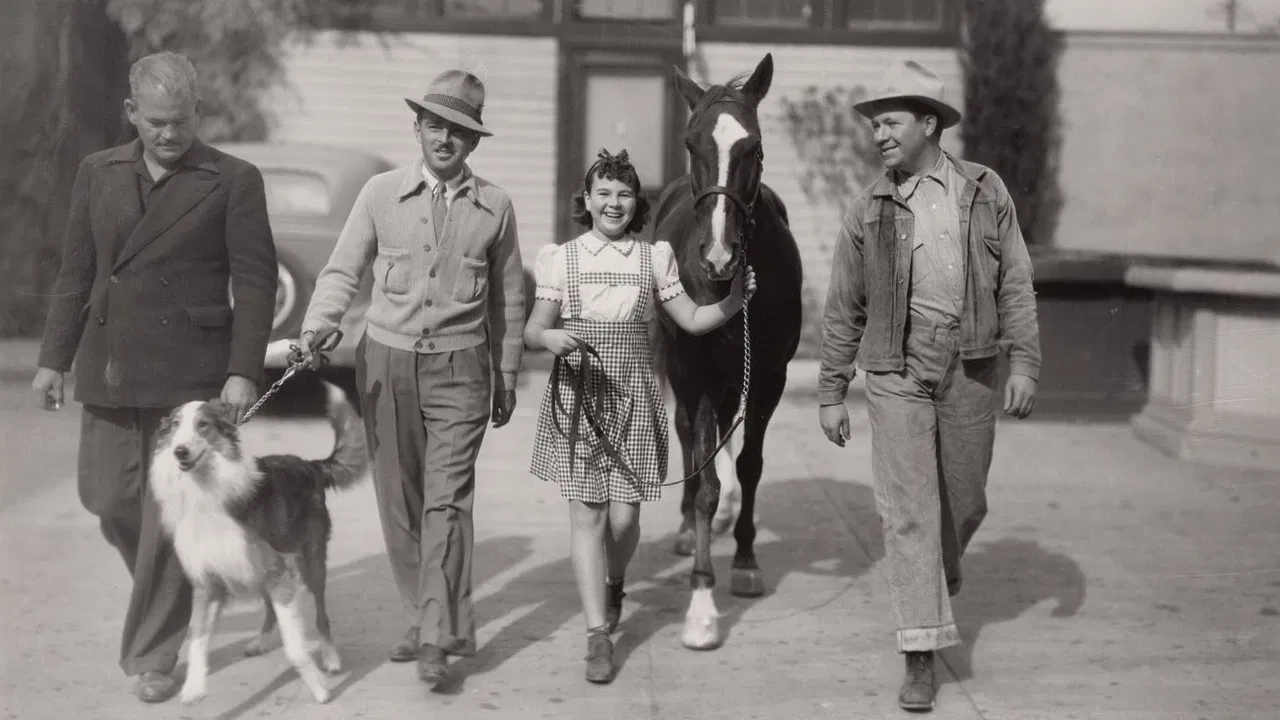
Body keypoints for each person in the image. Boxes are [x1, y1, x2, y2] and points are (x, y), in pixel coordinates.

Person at [30, 51, 278, 703]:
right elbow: (76, 273)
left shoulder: (233, 180)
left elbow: (253, 283)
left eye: (181, 121)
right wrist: (53, 359)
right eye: (156, 122)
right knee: (106, 497)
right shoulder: (97, 173)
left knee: (170, 511)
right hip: (109, 363)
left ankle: (154, 652)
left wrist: (241, 371)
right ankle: (185, 571)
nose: (169, 135)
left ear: (199, 112)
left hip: (190, 375)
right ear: (130, 114)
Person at [816, 60, 1041, 712]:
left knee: (964, 502)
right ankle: (919, 651)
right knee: (909, 512)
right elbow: (843, 307)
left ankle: (934, 578)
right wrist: (833, 390)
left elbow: (1016, 282)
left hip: (971, 366)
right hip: (896, 372)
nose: (878, 135)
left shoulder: (984, 192)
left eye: (889, 122)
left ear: (930, 122)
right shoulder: (868, 208)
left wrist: (1024, 363)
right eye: (875, 125)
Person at [296, 69, 525, 687]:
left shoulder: (496, 208)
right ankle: (430, 616)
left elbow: (507, 301)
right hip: (385, 363)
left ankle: (434, 636)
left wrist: (506, 375)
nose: (444, 139)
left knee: (446, 502)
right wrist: (320, 326)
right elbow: (342, 274)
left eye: (458, 130)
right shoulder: (378, 194)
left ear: (474, 143)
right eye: (434, 125)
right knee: (399, 503)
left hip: (462, 368)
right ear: (416, 128)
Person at [524, 148, 756, 684]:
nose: (613, 203)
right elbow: (535, 329)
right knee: (587, 514)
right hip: (579, 395)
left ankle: (615, 582)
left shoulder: (653, 258)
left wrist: (734, 303)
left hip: (632, 394)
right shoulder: (562, 257)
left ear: (637, 202)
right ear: (586, 201)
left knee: (624, 520)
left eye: (624, 194)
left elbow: (694, 319)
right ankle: (597, 634)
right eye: (602, 193)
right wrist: (549, 337)